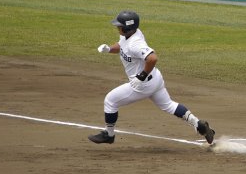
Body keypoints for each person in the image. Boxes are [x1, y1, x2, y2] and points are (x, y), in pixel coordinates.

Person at [88, 10, 216, 145]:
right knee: (169, 106)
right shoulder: (130, 35)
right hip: (155, 79)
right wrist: (109, 49)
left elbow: (152, 58)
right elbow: (121, 46)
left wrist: (141, 77)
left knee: (110, 101)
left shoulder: (135, 43)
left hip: (142, 84)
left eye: (119, 25)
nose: (117, 27)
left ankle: (109, 134)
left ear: (127, 28)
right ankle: (199, 125)